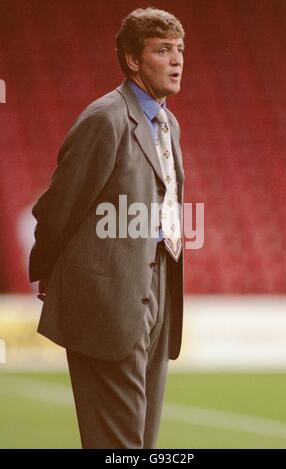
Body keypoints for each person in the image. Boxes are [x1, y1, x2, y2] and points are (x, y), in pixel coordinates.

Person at [29, 7, 185, 449]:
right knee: (118, 446)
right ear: (133, 60)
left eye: (179, 51)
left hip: (158, 288)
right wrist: (47, 270)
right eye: (162, 51)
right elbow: (59, 205)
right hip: (107, 298)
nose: (176, 61)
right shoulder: (106, 118)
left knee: (141, 444)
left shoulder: (169, 124)